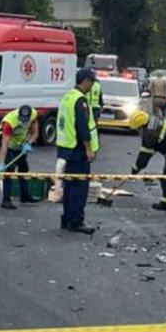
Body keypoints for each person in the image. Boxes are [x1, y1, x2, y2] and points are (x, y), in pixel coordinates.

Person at [56, 68, 99, 234]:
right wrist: (89, 149)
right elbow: (82, 127)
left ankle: (67, 219)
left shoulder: (68, 97)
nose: (92, 86)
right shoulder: (80, 100)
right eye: (92, 82)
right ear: (85, 81)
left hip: (66, 148)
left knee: (69, 186)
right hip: (78, 149)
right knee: (79, 188)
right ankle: (76, 221)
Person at [130, 110, 166, 211]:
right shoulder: (154, 119)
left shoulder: (149, 134)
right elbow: (157, 144)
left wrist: (135, 169)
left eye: (137, 129)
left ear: (141, 126)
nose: (138, 132)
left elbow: (144, 156)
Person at [0, 105, 39, 209]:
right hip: (10, 145)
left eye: (26, 120)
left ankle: (25, 196)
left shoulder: (33, 114)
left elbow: (35, 133)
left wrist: (29, 143)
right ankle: (6, 200)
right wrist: (2, 163)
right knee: (9, 170)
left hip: (22, 144)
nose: (24, 121)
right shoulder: (9, 122)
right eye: (22, 119)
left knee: (23, 169)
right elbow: (4, 145)